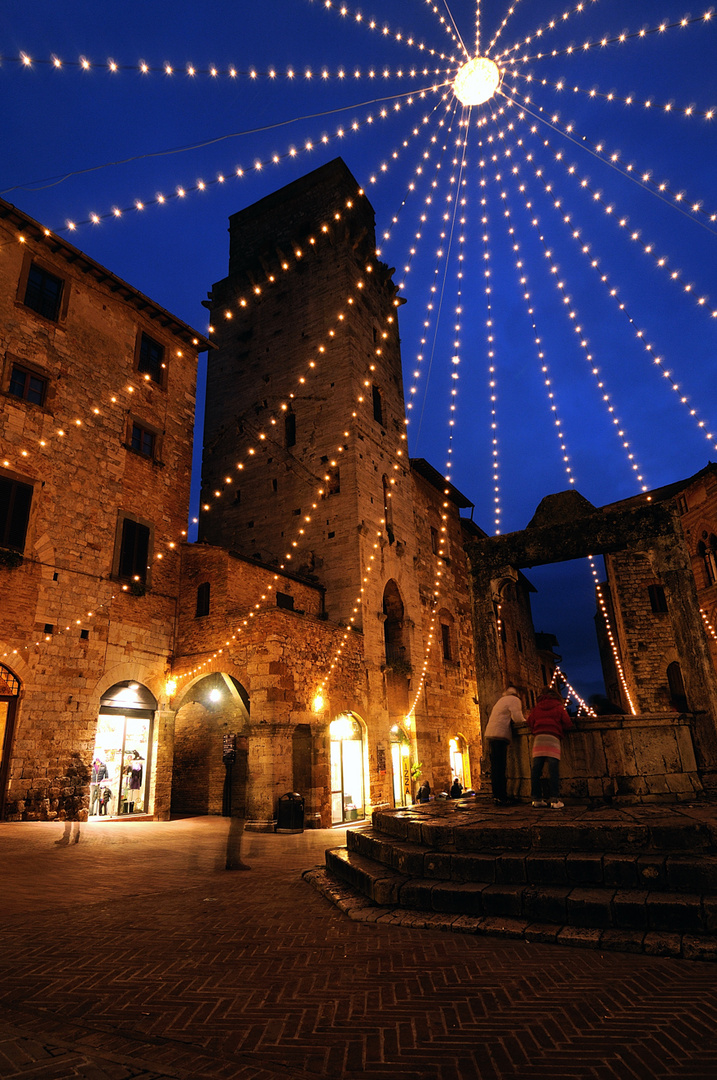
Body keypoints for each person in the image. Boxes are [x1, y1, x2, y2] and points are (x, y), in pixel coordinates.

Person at [527, 687, 573, 809]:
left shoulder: (536, 708)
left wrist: (536, 729)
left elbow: (529, 721)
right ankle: (555, 800)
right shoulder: (558, 707)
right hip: (553, 738)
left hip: (539, 739)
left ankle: (536, 799)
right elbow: (567, 722)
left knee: (536, 771)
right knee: (554, 771)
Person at [484, 687, 525, 805]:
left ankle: (497, 795)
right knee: (501, 767)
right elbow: (517, 718)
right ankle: (501, 796)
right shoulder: (514, 700)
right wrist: (525, 722)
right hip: (500, 735)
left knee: (496, 767)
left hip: (491, 734)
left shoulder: (502, 700)